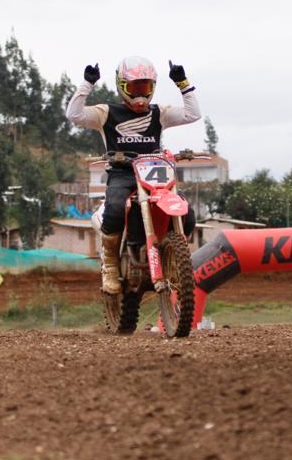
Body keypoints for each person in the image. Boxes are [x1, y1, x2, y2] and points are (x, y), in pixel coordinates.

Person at [66, 56, 201, 294]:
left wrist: (183, 83)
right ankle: (110, 265)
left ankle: (171, 256)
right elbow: (74, 115)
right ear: (122, 87)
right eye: (134, 88)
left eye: (145, 88)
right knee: (116, 207)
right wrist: (87, 84)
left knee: (187, 214)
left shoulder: (159, 113)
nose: (140, 95)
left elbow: (192, 115)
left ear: (152, 88)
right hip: (123, 173)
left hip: (156, 175)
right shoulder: (106, 113)